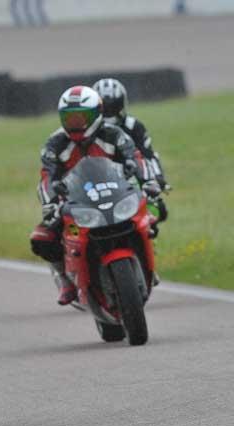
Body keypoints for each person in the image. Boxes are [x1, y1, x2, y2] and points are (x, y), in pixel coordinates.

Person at [30, 86, 162, 305]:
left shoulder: (114, 134)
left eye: (81, 117)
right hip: (76, 201)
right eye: (69, 118)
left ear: (97, 114)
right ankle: (65, 281)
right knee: (42, 237)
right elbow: (46, 176)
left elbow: (136, 157)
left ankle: (146, 263)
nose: (75, 123)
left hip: (117, 193)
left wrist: (148, 182)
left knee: (152, 216)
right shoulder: (55, 144)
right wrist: (51, 203)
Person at [92, 78, 169, 190]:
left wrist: (157, 179)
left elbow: (149, 155)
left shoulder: (134, 126)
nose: (109, 114)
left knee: (157, 205)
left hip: (132, 182)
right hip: (97, 183)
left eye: (113, 108)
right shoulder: (89, 131)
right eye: (105, 109)